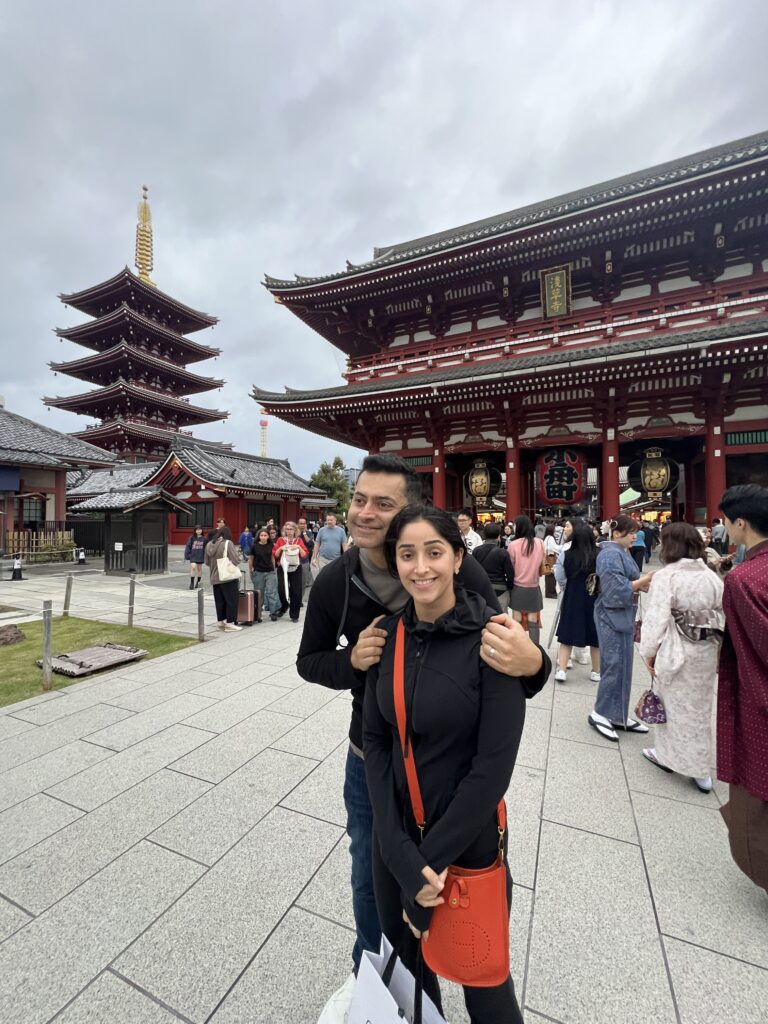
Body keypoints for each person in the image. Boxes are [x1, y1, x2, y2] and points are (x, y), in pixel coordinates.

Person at [297, 454, 549, 1020]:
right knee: (372, 868)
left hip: (455, 784)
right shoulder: (340, 582)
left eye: (383, 503)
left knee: (479, 963)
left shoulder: (467, 588)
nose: (365, 511)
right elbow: (309, 662)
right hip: (376, 756)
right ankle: (375, 972)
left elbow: (503, 659)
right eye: (359, 498)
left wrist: (535, 662)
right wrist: (353, 663)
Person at [364, 506, 527, 1023]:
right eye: (407, 555)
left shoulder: (496, 640)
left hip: (467, 840)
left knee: (484, 978)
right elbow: (377, 738)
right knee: (409, 973)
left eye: (434, 553)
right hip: (396, 842)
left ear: (459, 558)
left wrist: (427, 867)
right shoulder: (389, 637)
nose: (421, 568)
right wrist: (398, 852)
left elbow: (492, 770)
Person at [637, 522, 724, 793]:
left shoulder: (667, 577)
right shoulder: (710, 577)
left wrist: (648, 652)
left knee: (671, 705)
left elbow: (656, 620)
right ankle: (701, 770)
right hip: (706, 650)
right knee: (698, 709)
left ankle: (670, 757)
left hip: (676, 649)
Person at [716, 484, 768, 892]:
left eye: (724, 521)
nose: (723, 528)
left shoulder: (743, 579)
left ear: (740, 522)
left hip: (757, 698)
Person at [588, 515, 653, 741]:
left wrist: (644, 584)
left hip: (622, 613)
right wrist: (643, 582)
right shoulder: (609, 554)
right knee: (613, 664)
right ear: (617, 533)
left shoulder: (621, 552)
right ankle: (601, 712)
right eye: (631, 532)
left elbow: (628, 583)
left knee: (624, 664)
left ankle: (617, 714)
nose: (636, 536)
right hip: (610, 613)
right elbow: (616, 590)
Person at [553, 520, 600, 684]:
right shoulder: (599, 553)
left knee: (567, 633)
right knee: (595, 636)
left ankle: (562, 670)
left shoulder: (567, 553)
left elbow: (559, 574)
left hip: (573, 594)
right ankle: (596, 671)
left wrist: (566, 585)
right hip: (594, 596)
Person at [507, 514, 545, 645]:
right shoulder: (540, 543)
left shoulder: (513, 545)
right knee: (533, 619)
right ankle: (536, 649)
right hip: (534, 586)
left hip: (518, 587)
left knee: (516, 618)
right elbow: (541, 563)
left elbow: (510, 568)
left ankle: (518, 647)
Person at [204, 526, 242, 632]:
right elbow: (236, 559)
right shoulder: (227, 543)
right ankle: (230, 623)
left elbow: (206, 562)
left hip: (215, 576)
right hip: (227, 577)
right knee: (231, 600)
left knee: (219, 600)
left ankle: (220, 621)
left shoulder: (208, 544)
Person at [472, 521, 515, 613]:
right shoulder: (503, 553)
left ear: (484, 535)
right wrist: (509, 586)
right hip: (500, 588)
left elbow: (473, 571)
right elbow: (510, 573)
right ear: (498, 536)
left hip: (481, 588)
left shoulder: (476, 551)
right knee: (501, 618)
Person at [272, 521, 308, 622]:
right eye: (287, 529)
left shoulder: (299, 540)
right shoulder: (280, 540)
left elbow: (304, 555)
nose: (289, 531)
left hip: (296, 567)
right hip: (283, 567)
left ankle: (294, 614)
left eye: (291, 529)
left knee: (296, 591)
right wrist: (281, 548)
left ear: (295, 530)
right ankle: (284, 605)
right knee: (281, 590)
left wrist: (299, 547)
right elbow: (275, 554)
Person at [248, 528, 278, 621]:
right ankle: (257, 613)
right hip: (258, 572)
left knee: (271, 592)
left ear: (268, 536)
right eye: (262, 535)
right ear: (259, 536)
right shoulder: (254, 546)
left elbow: (273, 558)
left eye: (265, 535)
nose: (263, 537)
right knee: (258, 593)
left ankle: (273, 612)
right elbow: (250, 559)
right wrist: (250, 570)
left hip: (270, 571)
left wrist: (274, 569)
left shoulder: (272, 545)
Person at [183, 525, 206, 589]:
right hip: (193, 556)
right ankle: (192, 582)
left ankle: (198, 582)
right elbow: (188, 546)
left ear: (202, 530)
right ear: (195, 531)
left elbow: (206, 548)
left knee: (199, 569)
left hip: (200, 555)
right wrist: (187, 555)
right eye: (197, 530)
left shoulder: (204, 538)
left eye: (200, 529)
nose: (199, 531)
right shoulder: (192, 538)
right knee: (193, 567)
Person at [297, 516, 315, 596]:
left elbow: (310, 543)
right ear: (298, 524)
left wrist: (304, 533)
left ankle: (300, 598)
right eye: (300, 523)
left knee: (303, 581)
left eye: (304, 524)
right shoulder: (294, 533)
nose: (302, 525)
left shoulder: (309, 533)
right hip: (294, 560)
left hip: (305, 560)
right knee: (295, 581)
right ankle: (294, 598)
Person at [543, 523, 559, 599]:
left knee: (548, 576)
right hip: (551, 558)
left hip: (548, 558)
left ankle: (549, 592)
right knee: (551, 576)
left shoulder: (547, 538)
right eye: (554, 530)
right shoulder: (551, 538)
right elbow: (553, 548)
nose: (555, 532)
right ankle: (551, 592)